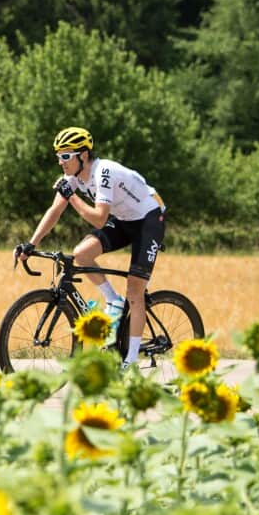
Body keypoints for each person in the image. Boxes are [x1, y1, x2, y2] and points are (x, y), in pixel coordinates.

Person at [14, 127, 166, 368]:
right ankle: (113, 301)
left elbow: (98, 219)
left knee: (135, 293)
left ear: (83, 155)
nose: (60, 162)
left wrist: (72, 197)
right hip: (125, 220)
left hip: (148, 220)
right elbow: (54, 211)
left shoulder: (103, 172)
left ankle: (131, 360)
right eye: (58, 156)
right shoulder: (72, 178)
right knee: (81, 254)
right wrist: (31, 244)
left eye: (66, 156)